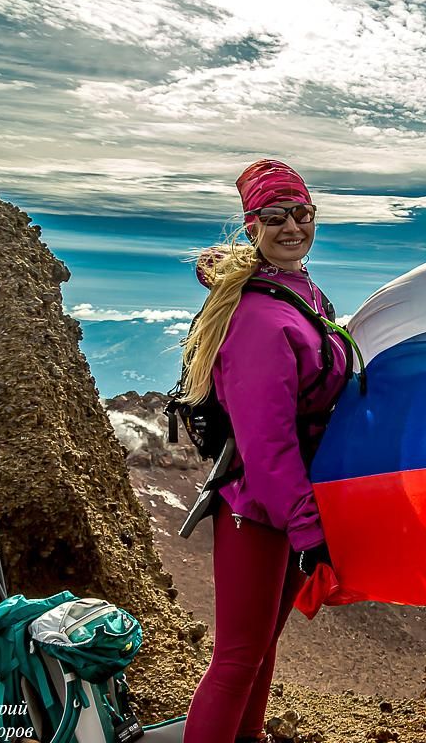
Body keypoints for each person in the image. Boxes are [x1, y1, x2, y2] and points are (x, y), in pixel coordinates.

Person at [181, 159, 351, 743]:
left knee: (258, 653)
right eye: (274, 217)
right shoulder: (257, 317)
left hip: (289, 502)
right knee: (234, 661)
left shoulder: (302, 292)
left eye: (301, 214)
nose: (291, 227)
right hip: (256, 507)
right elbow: (266, 444)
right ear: (251, 225)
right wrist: (309, 530)